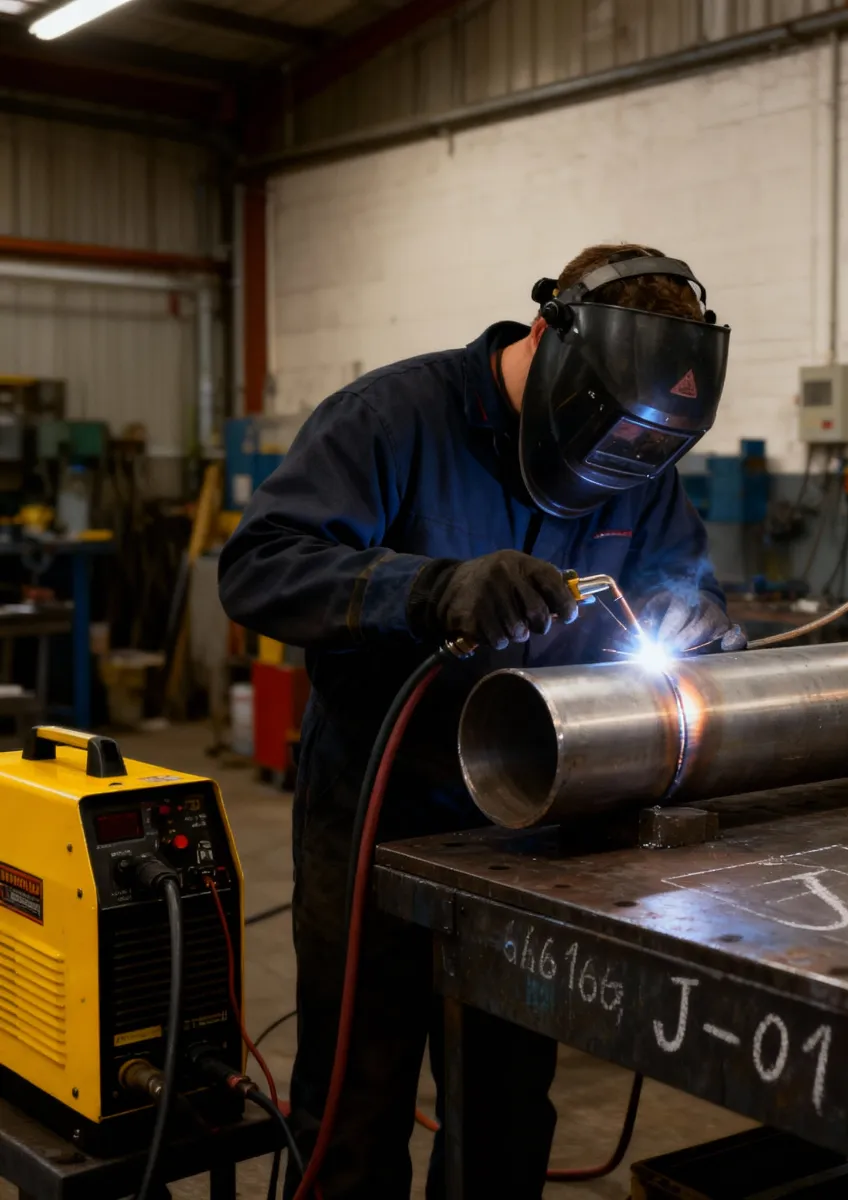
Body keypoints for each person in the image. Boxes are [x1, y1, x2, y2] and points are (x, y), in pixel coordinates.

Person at [218, 242, 743, 1198]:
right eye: (605, 431)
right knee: (357, 1102)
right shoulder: (391, 418)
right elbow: (259, 567)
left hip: (531, 823)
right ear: (545, 338)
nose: (618, 460)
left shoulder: (638, 451)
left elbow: (683, 579)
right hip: (377, 810)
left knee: (505, 1105)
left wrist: (693, 615)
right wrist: (427, 590)